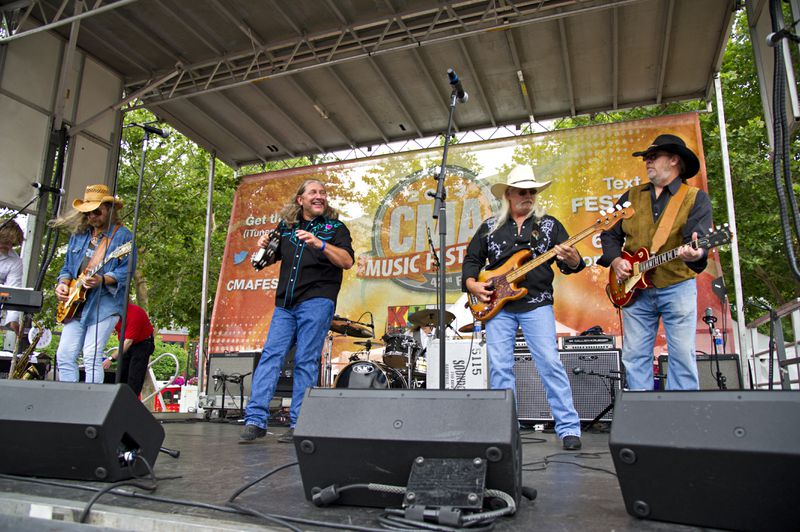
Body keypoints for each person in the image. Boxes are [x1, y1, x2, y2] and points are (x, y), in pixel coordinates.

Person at [462, 165, 584, 451]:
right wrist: (472, 284)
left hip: (537, 302)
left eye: (532, 191)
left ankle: (568, 428)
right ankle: (507, 429)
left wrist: (575, 259)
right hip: (497, 306)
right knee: (500, 368)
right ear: (508, 194)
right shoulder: (490, 226)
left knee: (549, 363)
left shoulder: (550, 225)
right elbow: (471, 260)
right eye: (522, 191)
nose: (528, 195)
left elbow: (569, 265)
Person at [240, 179, 354, 443]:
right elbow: (266, 259)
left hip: (317, 300)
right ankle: (255, 420)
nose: (320, 196)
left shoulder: (335, 228)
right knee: (270, 356)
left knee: (305, 360)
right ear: (300, 200)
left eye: (323, 193)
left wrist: (320, 245)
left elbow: (347, 261)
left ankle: (299, 423)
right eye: (313, 192)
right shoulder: (287, 227)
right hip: (285, 304)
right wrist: (264, 244)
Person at [599, 134, 712, 391]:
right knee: (634, 356)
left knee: (682, 355)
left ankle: (681, 420)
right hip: (634, 289)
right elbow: (609, 235)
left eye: (653, 157)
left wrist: (697, 253)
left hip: (677, 285)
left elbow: (699, 243)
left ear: (674, 160)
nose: (647, 161)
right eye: (646, 158)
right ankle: (644, 416)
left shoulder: (695, 198)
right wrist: (616, 261)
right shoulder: (631, 196)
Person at [51, 184, 134, 384]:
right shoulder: (79, 235)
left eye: (96, 212)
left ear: (109, 210)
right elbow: (67, 268)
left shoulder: (122, 236)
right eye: (88, 213)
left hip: (103, 304)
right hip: (75, 304)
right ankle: (70, 403)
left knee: (92, 356)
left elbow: (126, 271)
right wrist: (62, 284)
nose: (92, 217)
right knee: (64, 356)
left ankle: (91, 407)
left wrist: (102, 279)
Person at [103, 302, 154, 396]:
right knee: (121, 374)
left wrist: (111, 358)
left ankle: (131, 402)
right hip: (127, 342)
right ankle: (119, 399)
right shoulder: (112, 314)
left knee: (134, 377)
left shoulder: (135, 313)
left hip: (142, 343)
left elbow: (128, 342)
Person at [0, 218, 24, 337]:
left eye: (11, 243)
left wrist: (13, 319)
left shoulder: (15, 261)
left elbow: (13, 290)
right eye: (5, 242)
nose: (8, 246)